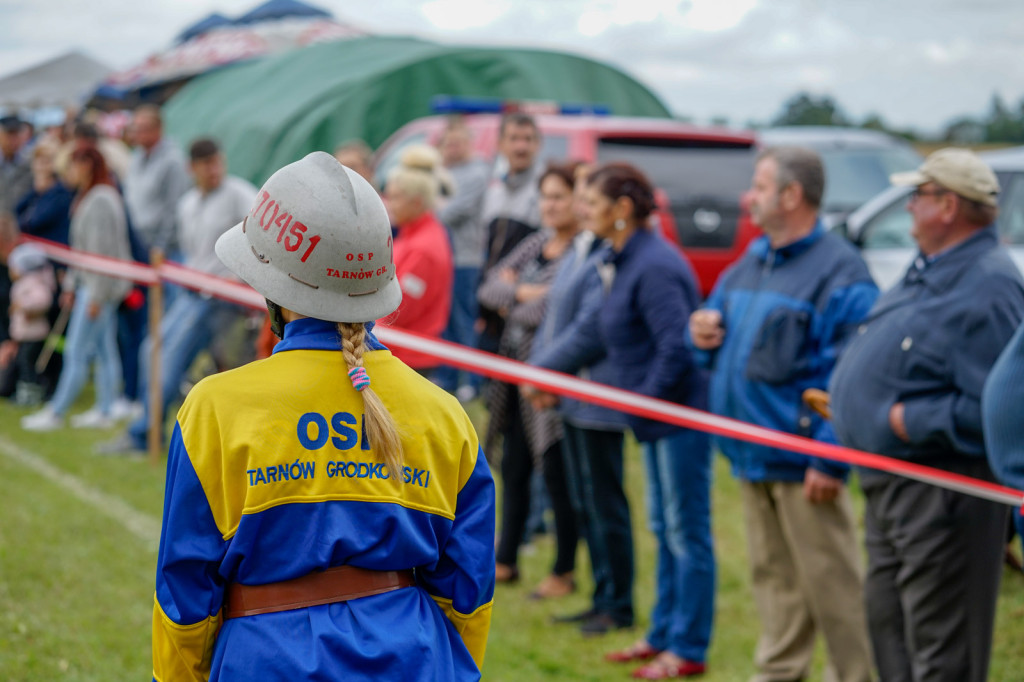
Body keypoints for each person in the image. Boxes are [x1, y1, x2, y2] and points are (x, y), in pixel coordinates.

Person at [152, 151, 494, 681]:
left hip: (265, 659)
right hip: (415, 658)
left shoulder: (214, 409)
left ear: (274, 289)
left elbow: (185, 596)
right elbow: (468, 595)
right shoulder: (447, 416)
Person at [829, 147, 1024, 682]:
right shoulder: (931, 267)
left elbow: (1004, 408)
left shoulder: (989, 285)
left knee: (943, 646)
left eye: (918, 196)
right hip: (895, 484)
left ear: (948, 207)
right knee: (889, 624)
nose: (909, 207)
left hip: (944, 493)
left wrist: (910, 421)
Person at [689, 146, 876, 682]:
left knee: (834, 590)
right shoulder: (753, 259)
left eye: (761, 185)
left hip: (806, 466)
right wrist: (699, 332)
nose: (749, 196)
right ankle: (779, 673)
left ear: (792, 196)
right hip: (752, 457)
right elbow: (714, 326)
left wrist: (831, 456)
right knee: (774, 586)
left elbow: (854, 375)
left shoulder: (842, 273)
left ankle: (856, 675)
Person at [581, 162, 713, 678]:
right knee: (663, 527)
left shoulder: (655, 264)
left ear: (623, 209)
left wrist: (647, 402)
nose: (585, 212)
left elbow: (675, 347)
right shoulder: (624, 256)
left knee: (688, 533)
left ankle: (688, 647)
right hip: (653, 420)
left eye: (593, 204)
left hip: (677, 418)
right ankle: (662, 633)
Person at [526, 166, 635, 634]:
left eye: (590, 203)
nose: (583, 210)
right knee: (585, 500)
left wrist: (543, 372)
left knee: (606, 505)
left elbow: (591, 327)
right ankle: (601, 595)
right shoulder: (583, 249)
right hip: (572, 395)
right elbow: (556, 321)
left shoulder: (605, 257)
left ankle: (618, 604)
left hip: (597, 398)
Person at [99, 138, 258, 454]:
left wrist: (239, 277)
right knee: (150, 350)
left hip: (220, 298)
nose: (214, 170)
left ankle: (144, 433)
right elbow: (189, 251)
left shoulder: (241, 195)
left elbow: (258, 239)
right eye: (206, 165)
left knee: (171, 360)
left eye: (217, 162)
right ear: (193, 168)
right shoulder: (188, 204)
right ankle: (149, 427)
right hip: (189, 292)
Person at [478, 162, 580, 600]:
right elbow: (488, 290)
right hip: (514, 379)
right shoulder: (537, 242)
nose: (551, 205)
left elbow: (548, 310)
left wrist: (515, 294)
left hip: (552, 382)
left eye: (560, 196)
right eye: (546, 197)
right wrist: (520, 292)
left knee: (557, 475)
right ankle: (506, 558)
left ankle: (564, 568)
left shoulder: (581, 252)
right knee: (513, 467)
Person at [21, 148, 132, 431]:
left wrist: (95, 294)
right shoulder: (91, 196)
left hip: (98, 289)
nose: (67, 173)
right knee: (104, 351)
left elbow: (100, 253)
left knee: (77, 351)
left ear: (86, 165)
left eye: (71, 166)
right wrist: (73, 284)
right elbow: (83, 251)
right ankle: (105, 410)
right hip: (92, 286)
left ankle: (56, 412)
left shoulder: (101, 199)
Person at [380, 144, 454, 372]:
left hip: (408, 359)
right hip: (401, 352)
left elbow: (396, 310)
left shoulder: (424, 248)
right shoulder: (414, 235)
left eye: (396, 198)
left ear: (417, 202)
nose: (389, 204)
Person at [477, 112, 543, 355]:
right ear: (500, 144)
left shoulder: (544, 192)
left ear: (538, 144)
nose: (521, 146)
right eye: (514, 138)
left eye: (528, 139)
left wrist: (513, 294)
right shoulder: (495, 189)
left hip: (524, 306)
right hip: (493, 302)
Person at [434, 116, 490, 401]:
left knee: (463, 320)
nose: (452, 148)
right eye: (448, 143)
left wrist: (435, 203)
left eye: (457, 143)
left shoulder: (476, 174)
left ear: (469, 143)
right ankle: (449, 376)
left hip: (465, 260)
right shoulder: (443, 172)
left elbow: (448, 212)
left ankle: (472, 380)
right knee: (445, 320)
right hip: (443, 259)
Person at [122, 105, 190, 256]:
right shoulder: (137, 157)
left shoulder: (172, 162)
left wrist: (161, 246)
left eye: (142, 128)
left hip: (167, 250)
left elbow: (175, 207)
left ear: (158, 129)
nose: (136, 133)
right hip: (141, 245)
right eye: (135, 128)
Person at [1, 243, 56, 405]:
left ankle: (30, 393)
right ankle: (24, 391)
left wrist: (24, 306)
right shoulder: (23, 283)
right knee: (22, 363)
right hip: (23, 335)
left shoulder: (33, 282)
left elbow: (42, 300)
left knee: (28, 365)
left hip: (33, 335)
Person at [15, 141, 73, 246]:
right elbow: (17, 210)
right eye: (38, 160)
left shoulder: (61, 192)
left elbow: (36, 221)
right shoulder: (35, 189)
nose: (42, 165)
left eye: (47, 161)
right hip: (34, 247)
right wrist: (35, 192)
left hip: (52, 252)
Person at [0, 114, 32, 215]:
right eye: (9, 134)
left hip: (19, 224)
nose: (14, 140)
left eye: (17, 135)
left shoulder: (29, 164)